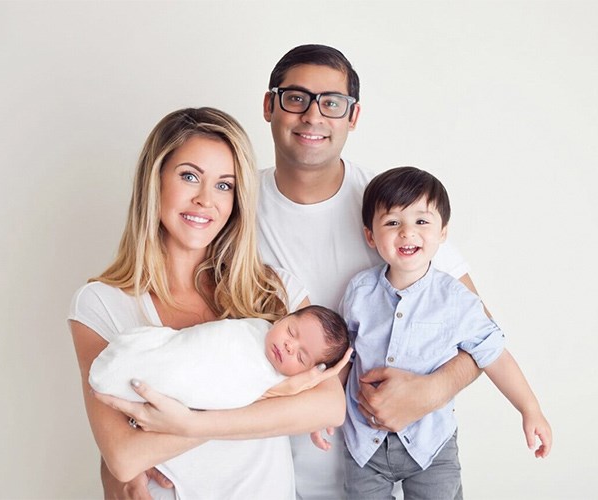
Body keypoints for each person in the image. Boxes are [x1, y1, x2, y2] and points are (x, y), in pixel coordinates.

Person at [69, 107, 351, 500]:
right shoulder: (100, 305)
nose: (206, 200)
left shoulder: (274, 290)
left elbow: (329, 406)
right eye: (189, 177)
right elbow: (123, 456)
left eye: (224, 185)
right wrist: (271, 397)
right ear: (155, 180)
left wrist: (185, 425)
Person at [257, 44, 483, 499]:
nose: (313, 116)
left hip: (392, 475)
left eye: (332, 102)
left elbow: (481, 333)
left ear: (352, 116)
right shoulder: (235, 206)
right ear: (270, 105)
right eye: (296, 97)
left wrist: (429, 392)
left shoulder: (393, 211)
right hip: (267, 474)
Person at [341, 166, 553, 499]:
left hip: (431, 445)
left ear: (442, 232)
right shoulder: (359, 291)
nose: (407, 233)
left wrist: (530, 409)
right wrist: (326, 408)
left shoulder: (456, 299)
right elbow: (344, 359)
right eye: (393, 222)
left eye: (421, 222)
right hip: (364, 444)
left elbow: (493, 353)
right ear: (370, 235)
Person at [89, 305, 349, 409]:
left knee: (171, 374)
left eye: (302, 357)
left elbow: (229, 391)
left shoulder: (273, 382)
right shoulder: (253, 327)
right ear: (282, 319)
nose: (290, 346)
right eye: (291, 332)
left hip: (187, 380)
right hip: (182, 350)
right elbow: (204, 340)